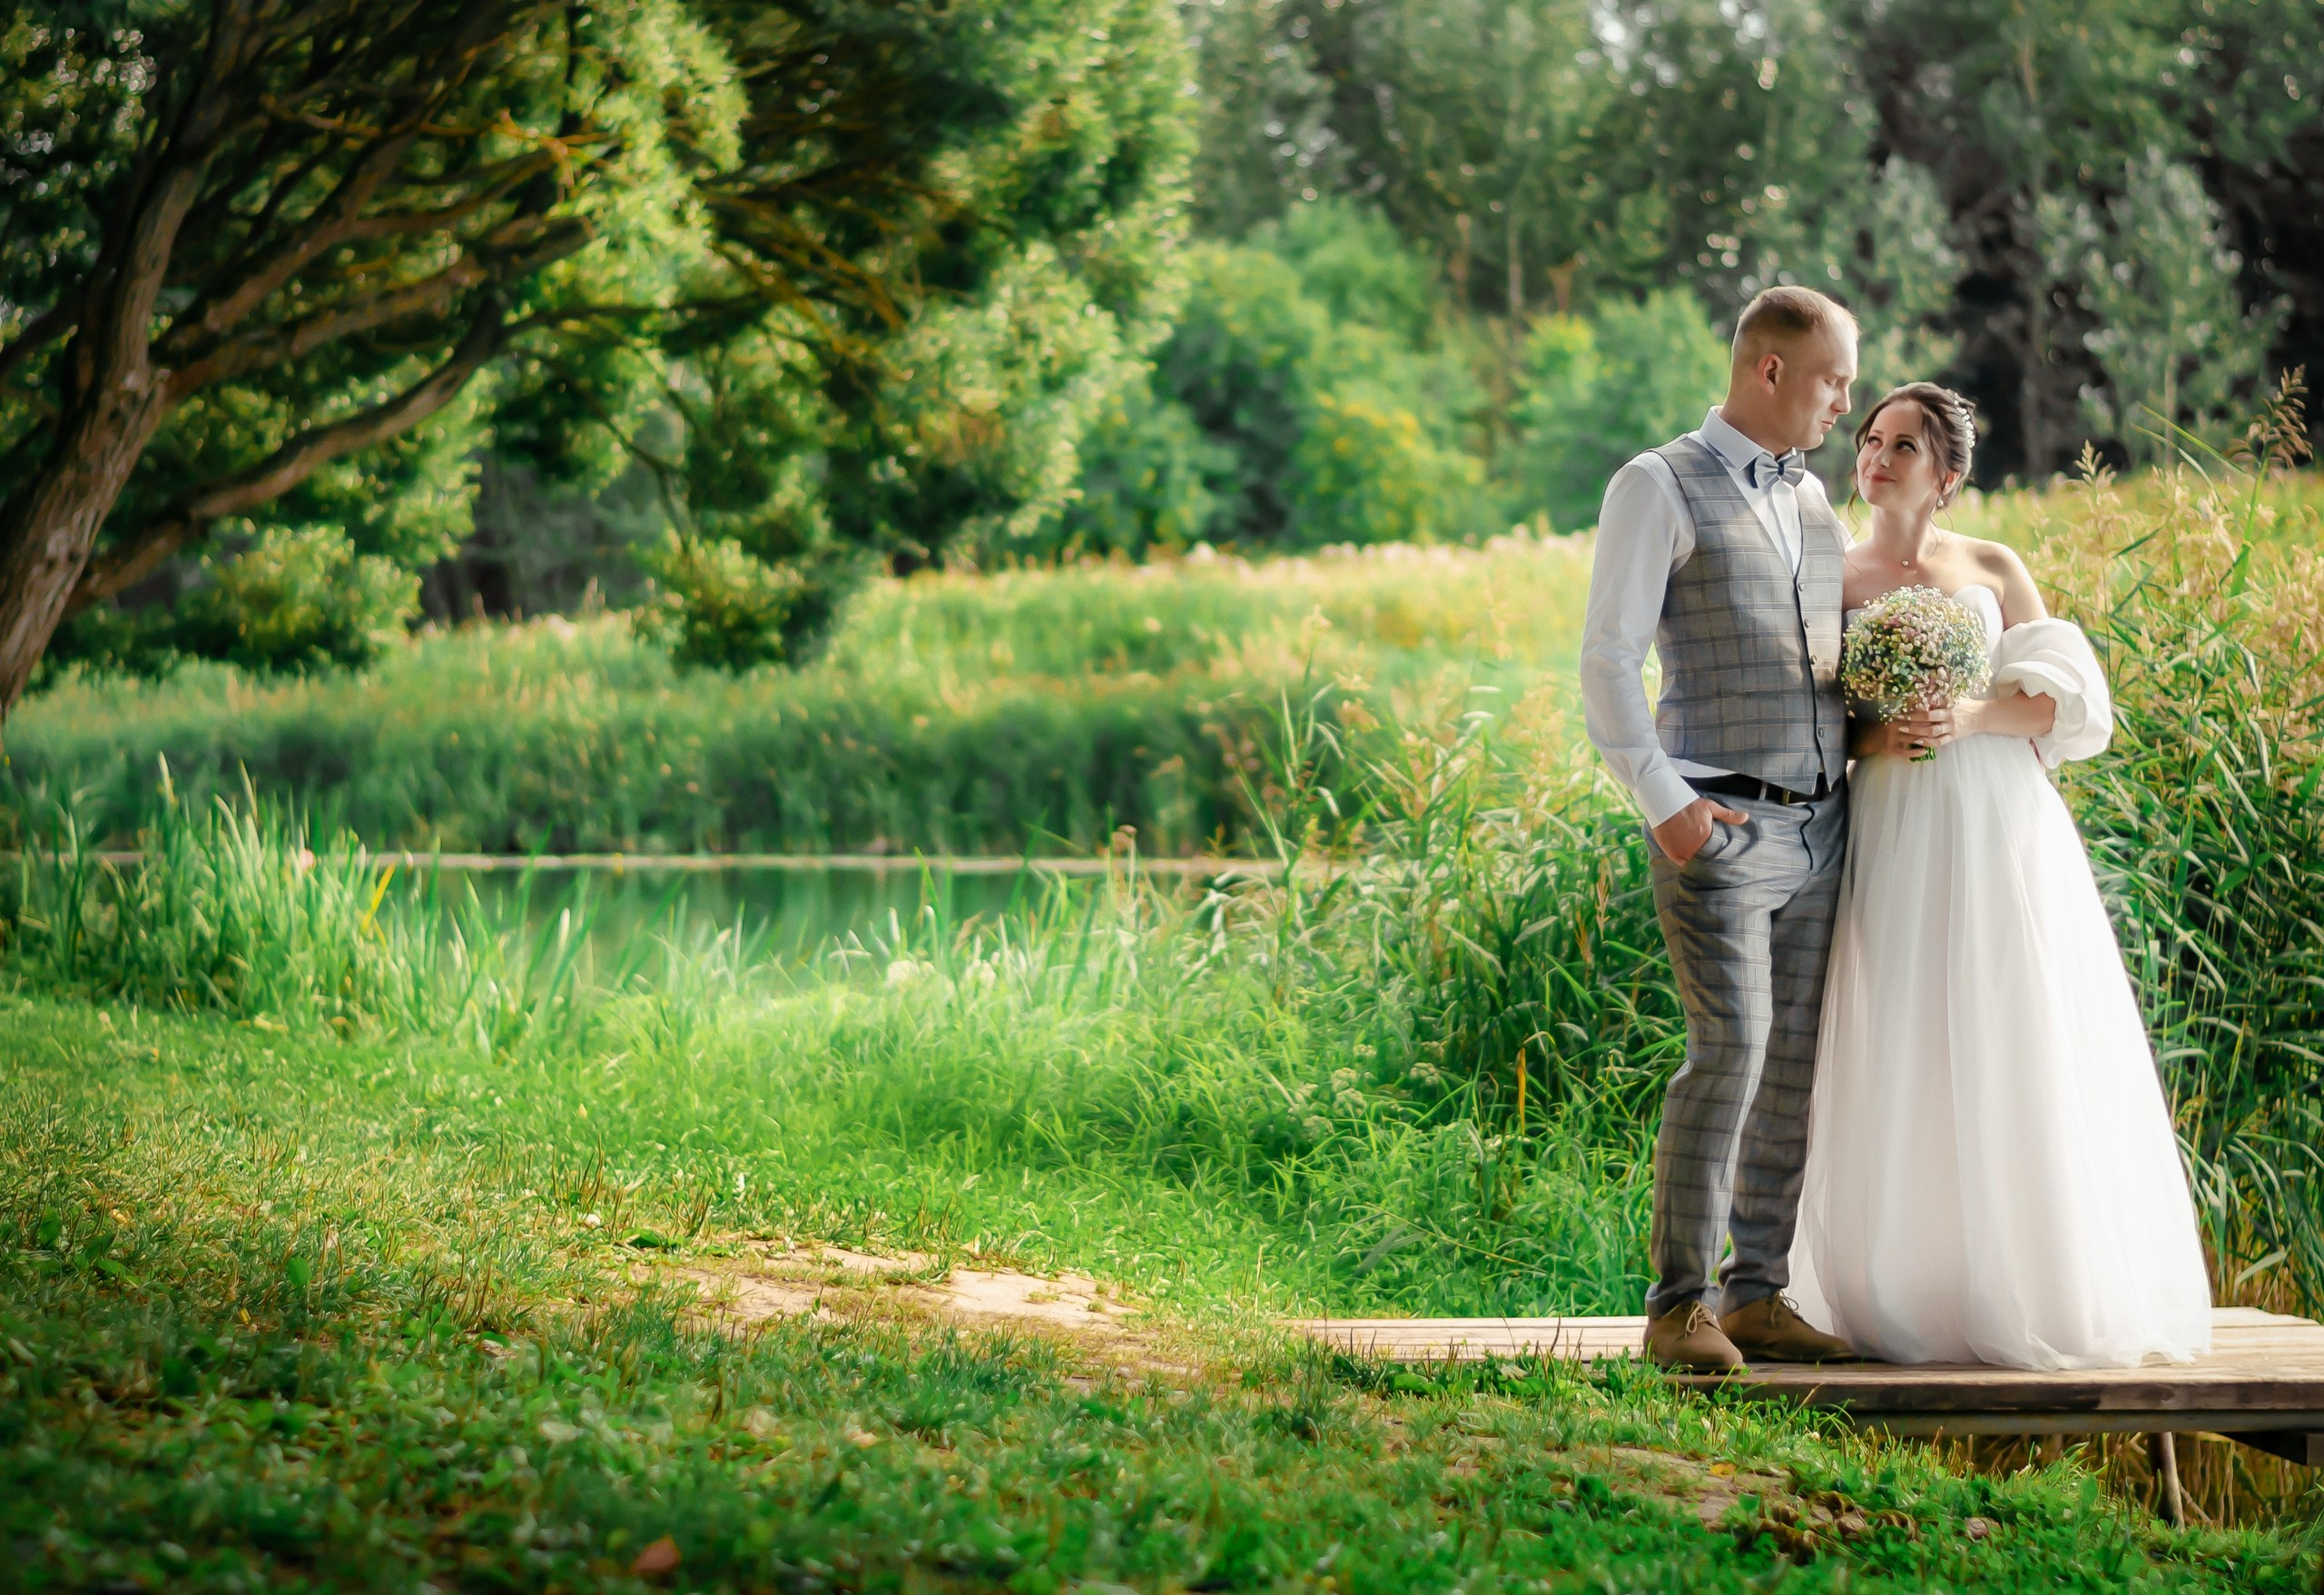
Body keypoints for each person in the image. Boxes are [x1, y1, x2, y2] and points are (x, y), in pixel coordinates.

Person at [1782, 383, 2213, 1369]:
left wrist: (1969, 713)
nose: (1879, 457)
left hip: (1994, 815)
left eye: (1904, 446)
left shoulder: (1990, 564)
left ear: (1948, 473)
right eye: (1871, 440)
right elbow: (1809, 723)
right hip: (1890, 814)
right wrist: (1877, 729)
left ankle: (2032, 1281)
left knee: (2009, 1012)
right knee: (1902, 1023)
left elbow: (2067, 708)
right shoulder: (1828, 574)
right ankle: (1907, 1289)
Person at [1579, 285, 1862, 1371]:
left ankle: (1756, 1292)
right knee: (1729, 1050)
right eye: (1832, 377)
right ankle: (1676, 1306)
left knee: (1789, 1061)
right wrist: (1670, 811)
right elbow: (1607, 659)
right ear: (1770, 369)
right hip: (1721, 825)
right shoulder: (1656, 483)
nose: (1843, 398)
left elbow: (1820, 666)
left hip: (1822, 823)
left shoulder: (1813, 500)